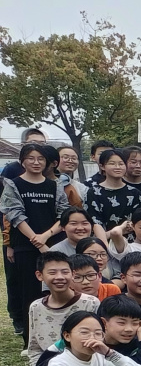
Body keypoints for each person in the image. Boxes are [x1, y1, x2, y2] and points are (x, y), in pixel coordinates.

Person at [3, 142, 77, 333]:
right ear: (22, 161)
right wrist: (36, 239)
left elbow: (63, 214)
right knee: (29, 293)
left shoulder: (54, 185)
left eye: (40, 159)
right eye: (31, 158)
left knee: (56, 289)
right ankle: (31, 339)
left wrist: (45, 236)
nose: (36, 162)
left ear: (47, 163)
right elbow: (15, 215)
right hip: (25, 247)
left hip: (53, 244)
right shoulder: (13, 184)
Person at [25, 251, 97, 366]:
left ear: (73, 274)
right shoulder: (36, 307)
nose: (59, 277)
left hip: (83, 365)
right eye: (52, 273)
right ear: (40, 275)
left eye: (65, 272)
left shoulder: (90, 303)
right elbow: (35, 348)